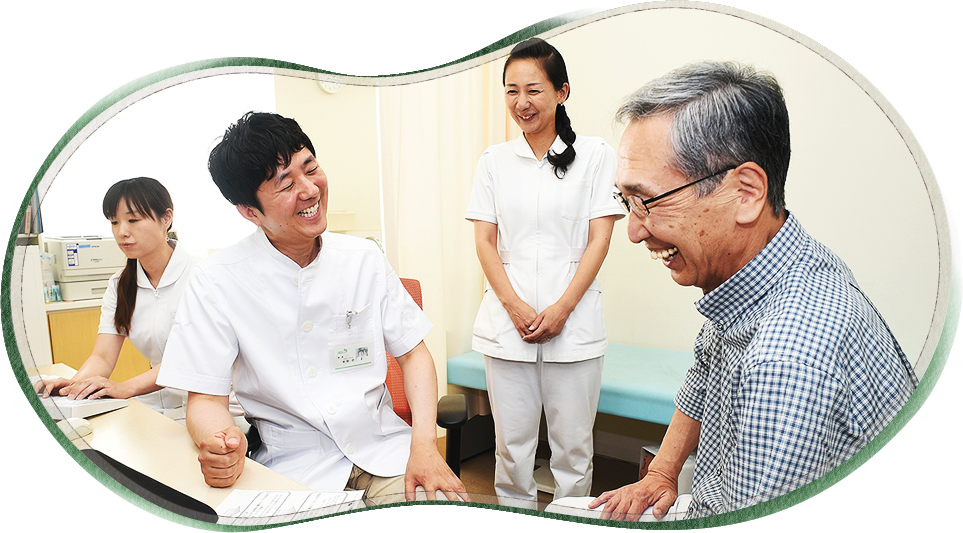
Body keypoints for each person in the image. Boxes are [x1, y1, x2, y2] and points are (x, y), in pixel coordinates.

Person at [589, 61, 918, 520]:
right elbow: (705, 370)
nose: (633, 231)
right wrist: (661, 472)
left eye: (646, 201)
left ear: (745, 193)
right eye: (626, 201)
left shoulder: (785, 360)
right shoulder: (777, 263)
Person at [156, 112, 468, 505]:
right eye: (286, 184)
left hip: (387, 453)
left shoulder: (363, 258)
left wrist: (424, 445)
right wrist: (220, 442)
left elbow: (413, 354)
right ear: (250, 211)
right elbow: (205, 399)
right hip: (292, 468)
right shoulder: (216, 280)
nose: (309, 190)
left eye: (311, 168)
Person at [465, 37, 623, 508]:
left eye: (533, 90)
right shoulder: (493, 161)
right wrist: (514, 306)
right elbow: (484, 242)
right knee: (510, 450)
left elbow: (599, 240)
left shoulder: (595, 155)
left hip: (573, 324)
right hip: (507, 324)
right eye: (511, 91)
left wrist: (562, 309)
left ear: (562, 92)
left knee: (573, 452)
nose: (522, 102)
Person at [36, 178, 197, 418]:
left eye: (133, 220)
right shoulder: (120, 284)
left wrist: (124, 388)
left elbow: (189, 357)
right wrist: (73, 385)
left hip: (210, 403)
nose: (122, 232)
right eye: (114, 222)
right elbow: (102, 357)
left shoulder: (201, 277)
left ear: (166, 218)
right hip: (156, 404)